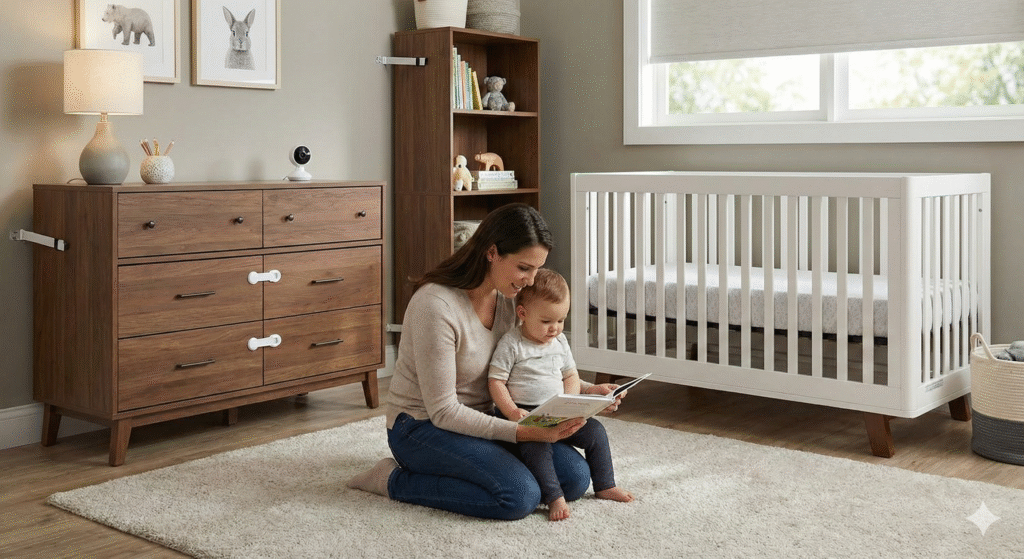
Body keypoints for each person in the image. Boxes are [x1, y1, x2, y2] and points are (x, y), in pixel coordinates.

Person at [346, 203, 626, 520]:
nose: (531, 281)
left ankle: (483, 469)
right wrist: (523, 433)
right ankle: (391, 479)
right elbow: (443, 412)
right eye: (524, 268)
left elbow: (530, 365)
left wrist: (589, 392)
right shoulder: (436, 304)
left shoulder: (509, 301)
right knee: (519, 497)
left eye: (536, 269)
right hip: (421, 427)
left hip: (483, 417)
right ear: (492, 252)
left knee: (574, 479)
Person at [488, 268, 634, 521]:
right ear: (522, 314)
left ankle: (605, 485)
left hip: (559, 410)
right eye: (546, 322)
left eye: (560, 320)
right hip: (528, 414)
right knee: (538, 448)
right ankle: (555, 497)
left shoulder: (559, 342)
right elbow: (496, 381)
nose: (555, 328)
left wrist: (574, 403)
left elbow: (570, 375)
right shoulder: (512, 344)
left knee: (596, 432)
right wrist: (512, 411)